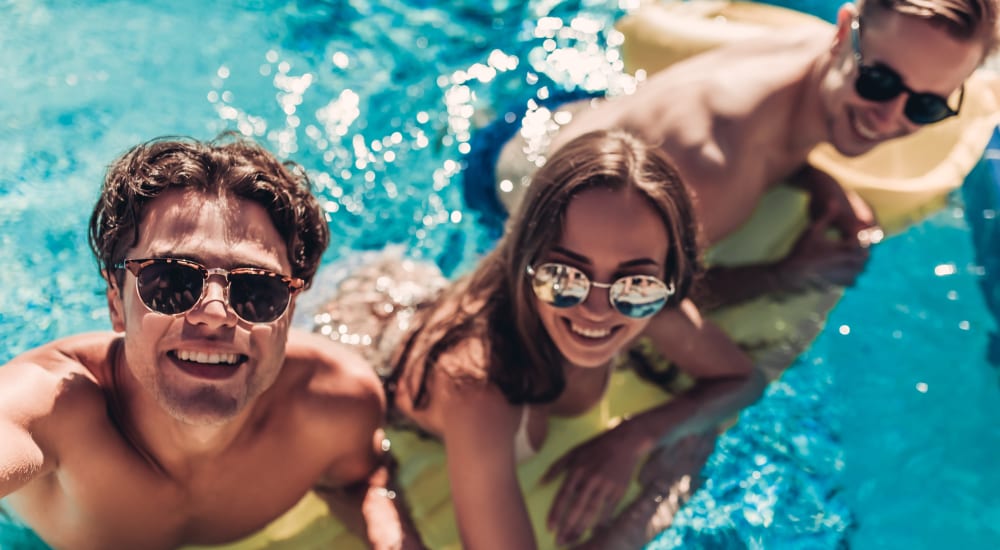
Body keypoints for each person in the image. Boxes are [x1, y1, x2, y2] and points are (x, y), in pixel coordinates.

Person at [310, 129, 765, 549]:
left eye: (635, 283)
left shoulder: (652, 302)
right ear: (525, 260)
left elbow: (742, 381)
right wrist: (660, 494)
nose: (597, 309)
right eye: (565, 276)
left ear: (670, 274)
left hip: (417, 296)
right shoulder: (480, 387)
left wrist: (634, 438)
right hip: (359, 337)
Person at [0, 136, 422, 549]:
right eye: (170, 281)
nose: (216, 314)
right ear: (116, 303)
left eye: (258, 289)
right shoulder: (53, 406)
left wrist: (388, 533)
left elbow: (362, 478)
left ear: (290, 310)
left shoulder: (332, 402)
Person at [485, 0, 999, 304]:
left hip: (565, 114)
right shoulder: (716, 167)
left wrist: (816, 177)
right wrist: (785, 277)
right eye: (879, 81)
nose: (890, 118)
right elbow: (628, 299)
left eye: (928, 105)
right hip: (509, 197)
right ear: (845, 32)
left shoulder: (814, 51)